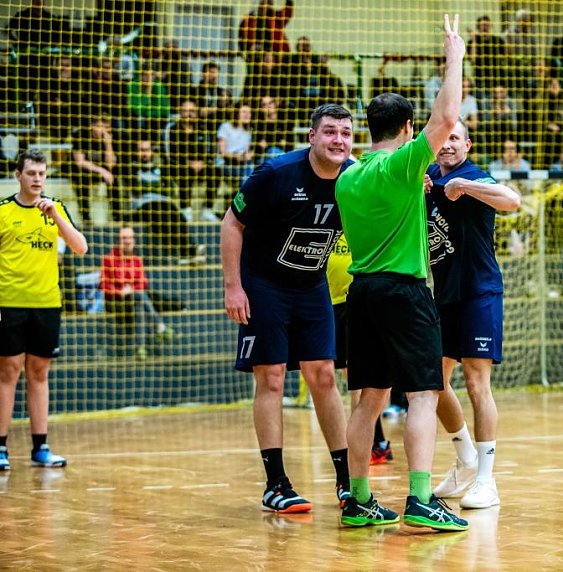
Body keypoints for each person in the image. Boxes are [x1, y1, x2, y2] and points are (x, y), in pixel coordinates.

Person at [335, 13, 468, 531]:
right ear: (409, 128)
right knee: (423, 394)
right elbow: (448, 114)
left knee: (367, 399)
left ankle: (358, 500)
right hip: (404, 291)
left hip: (361, 293)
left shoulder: (348, 176)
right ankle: (420, 498)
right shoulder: (403, 164)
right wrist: (454, 57)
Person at [220, 103, 354, 514]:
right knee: (273, 377)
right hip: (264, 285)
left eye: (346, 133)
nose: (338, 140)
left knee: (324, 375)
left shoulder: (355, 176)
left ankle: (348, 482)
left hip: (311, 285)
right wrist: (234, 288)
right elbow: (231, 223)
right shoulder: (276, 173)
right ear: (312, 136)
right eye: (329, 131)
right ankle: (275, 484)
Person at [425, 120, 520, 509]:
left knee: (477, 384)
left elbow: (512, 200)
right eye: (442, 138)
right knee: (432, 380)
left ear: (468, 144)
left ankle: (486, 479)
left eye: (455, 138)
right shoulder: (426, 177)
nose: (447, 145)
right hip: (443, 294)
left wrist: (464, 185)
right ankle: (465, 458)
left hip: (480, 292)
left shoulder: (474, 176)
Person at [0, 149, 88, 472]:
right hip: (9, 303)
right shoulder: (3, 211)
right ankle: (1, 448)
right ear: (18, 175)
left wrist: (56, 217)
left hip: (47, 303)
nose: (37, 179)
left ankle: (41, 447)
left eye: (42, 173)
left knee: (39, 373)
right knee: (9, 371)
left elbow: (81, 248)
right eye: (31, 173)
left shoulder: (56, 208)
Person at [325, 234, 394, 465]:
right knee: (355, 378)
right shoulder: (329, 224)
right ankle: (376, 443)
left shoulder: (359, 222)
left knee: (360, 379)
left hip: (356, 301)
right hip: (331, 304)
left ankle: (372, 446)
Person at [99, 226, 174, 360]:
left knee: (139, 303)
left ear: (134, 240)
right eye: (124, 238)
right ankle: (160, 325)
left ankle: (141, 349)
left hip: (134, 299)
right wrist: (119, 291)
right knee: (139, 296)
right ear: (118, 240)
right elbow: (103, 284)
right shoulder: (109, 259)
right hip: (115, 302)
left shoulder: (137, 260)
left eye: (130, 238)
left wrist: (131, 290)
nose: (128, 241)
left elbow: (143, 283)